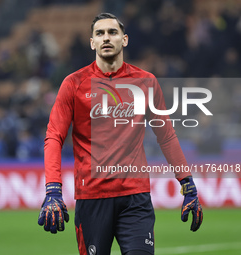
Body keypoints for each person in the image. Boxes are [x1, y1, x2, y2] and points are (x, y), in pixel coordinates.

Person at [38, 13, 203, 255]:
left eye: (112, 32)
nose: (106, 38)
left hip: (135, 197)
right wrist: (53, 188)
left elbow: (166, 136)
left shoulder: (146, 82)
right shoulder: (73, 84)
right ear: (92, 42)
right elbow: (54, 136)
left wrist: (187, 183)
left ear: (124, 40)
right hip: (92, 197)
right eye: (100, 33)